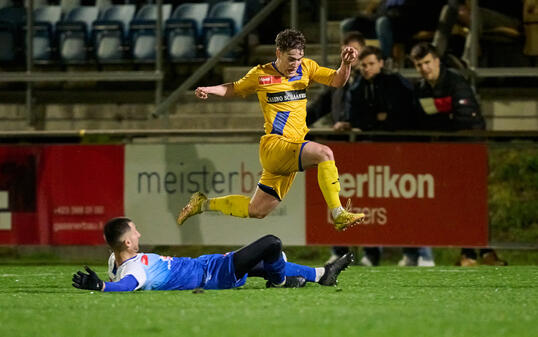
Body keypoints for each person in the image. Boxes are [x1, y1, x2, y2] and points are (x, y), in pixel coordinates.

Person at [177, 28, 366, 231]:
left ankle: (203, 203)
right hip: (275, 145)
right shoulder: (261, 74)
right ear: (278, 53)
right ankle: (338, 214)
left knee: (257, 210)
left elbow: (338, 80)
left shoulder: (307, 68)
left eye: (299, 59)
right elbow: (234, 88)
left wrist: (345, 64)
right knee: (324, 153)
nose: (295, 64)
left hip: (290, 149)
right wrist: (209, 89)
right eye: (291, 59)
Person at [410, 42, 507, 266]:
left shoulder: (455, 81)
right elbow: (424, 120)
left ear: (436, 61)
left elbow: (466, 119)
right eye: (419, 65)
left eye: (427, 63)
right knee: (459, 203)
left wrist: (442, 123)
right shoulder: (423, 88)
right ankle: (481, 252)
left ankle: (473, 254)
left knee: (472, 201)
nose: (424, 68)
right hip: (448, 153)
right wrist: (445, 121)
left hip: (470, 148)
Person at [72, 217, 354, 292]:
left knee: (266, 263)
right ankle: (281, 280)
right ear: (127, 244)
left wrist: (104, 279)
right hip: (213, 274)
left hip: (207, 265)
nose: (139, 235)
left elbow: (116, 266)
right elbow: (126, 285)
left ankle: (322, 274)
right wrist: (102, 286)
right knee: (272, 243)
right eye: (135, 233)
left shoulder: (117, 259)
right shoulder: (135, 272)